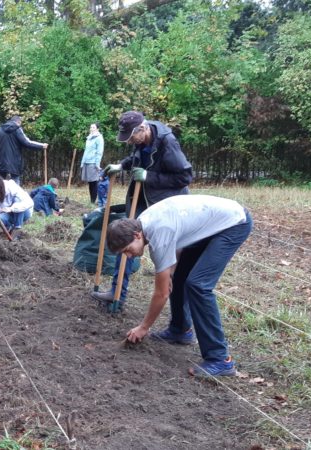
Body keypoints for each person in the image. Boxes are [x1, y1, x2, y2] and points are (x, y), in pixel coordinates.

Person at [108, 195, 252, 378]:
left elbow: (161, 294)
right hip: (210, 225)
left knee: (199, 285)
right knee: (179, 277)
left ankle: (220, 360)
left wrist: (144, 327)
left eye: (127, 250)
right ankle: (180, 329)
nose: (128, 256)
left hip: (233, 223)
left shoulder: (158, 234)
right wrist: (171, 269)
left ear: (137, 235)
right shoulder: (143, 223)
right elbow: (180, 235)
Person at [92, 111, 193, 313]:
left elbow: (184, 177)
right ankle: (117, 292)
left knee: (173, 259)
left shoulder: (167, 143)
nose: (130, 142)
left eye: (131, 138)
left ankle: (178, 314)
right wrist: (121, 165)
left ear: (143, 128)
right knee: (125, 238)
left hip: (167, 204)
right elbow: (135, 157)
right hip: (144, 198)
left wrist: (149, 176)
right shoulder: (141, 141)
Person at [0, 116, 48, 184]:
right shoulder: (17, 129)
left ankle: (1, 194)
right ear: (18, 122)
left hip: (0, 164)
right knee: (16, 186)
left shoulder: (0, 130)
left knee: (1, 185)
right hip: (14, 164)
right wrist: (42, 146)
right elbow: (27, 142)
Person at [0, 174, 34, 238]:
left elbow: (29, 202)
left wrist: (11, 209)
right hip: (9, 216)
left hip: (24, 213)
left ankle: (17, 228)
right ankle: (9, 229)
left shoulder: (11, 187)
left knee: (17, 200)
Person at [81, 123, 104, 204]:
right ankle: (92, 200)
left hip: (93, 163)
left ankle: (94, 200)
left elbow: (99, 152)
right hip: (87, 162)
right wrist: (82, 162)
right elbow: (86, 151)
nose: (91, 128)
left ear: (97, 129)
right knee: (90, 182)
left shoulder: (99, 138)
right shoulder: (89, 138)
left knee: (94, 182)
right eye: (90, 127)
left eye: (93, 127)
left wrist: (97, 164)